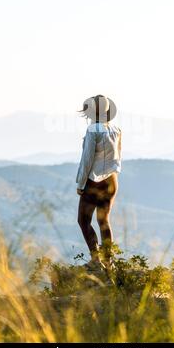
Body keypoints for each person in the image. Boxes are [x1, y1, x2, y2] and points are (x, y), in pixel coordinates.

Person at [76, 95, 122, 271]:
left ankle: (96, 260)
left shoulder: (92, 130)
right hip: (112, 180)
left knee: (83, 220)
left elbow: (87, 160)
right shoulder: (116, 129)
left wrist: (81, 185)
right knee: (104, 220)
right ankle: (109, 261)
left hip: (94, 181)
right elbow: (118, 156)